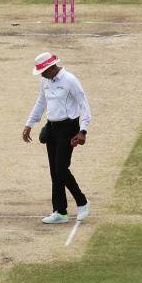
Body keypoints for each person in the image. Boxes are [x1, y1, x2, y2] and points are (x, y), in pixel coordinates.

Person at [23, 52, 91, 224]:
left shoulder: (70, 80)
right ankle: (60, 212)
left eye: (44, 71)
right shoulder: (44, 81)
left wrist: (83, 131)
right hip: (52, 128)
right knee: (55, 172)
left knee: (61, 169)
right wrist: (29, 124)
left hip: (69, 129)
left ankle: (82, 202)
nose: (42, 75)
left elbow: (84, 105)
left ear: (52, 68)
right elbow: (41, 102)